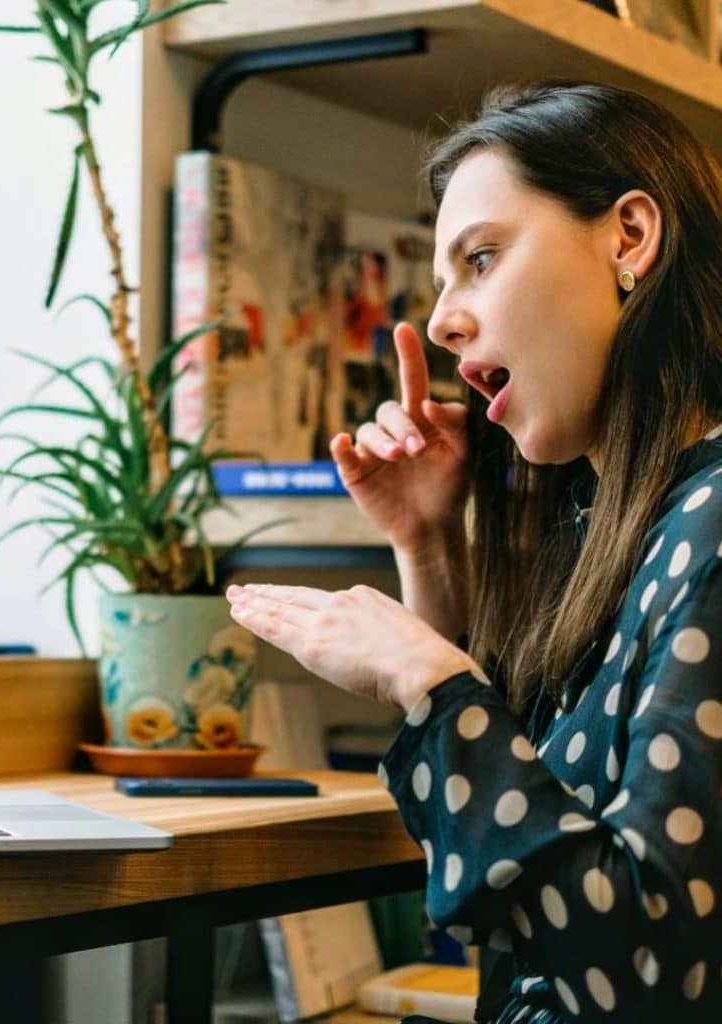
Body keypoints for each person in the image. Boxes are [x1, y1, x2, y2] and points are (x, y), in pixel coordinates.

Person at [226, 80, 722, 1022]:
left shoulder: (714, 525)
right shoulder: (608, 517)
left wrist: (429, 682)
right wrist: (426, 545)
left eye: (482, 258)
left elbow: (652, 967)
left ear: (630, 237)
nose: (446, 318)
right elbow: (534, 819)